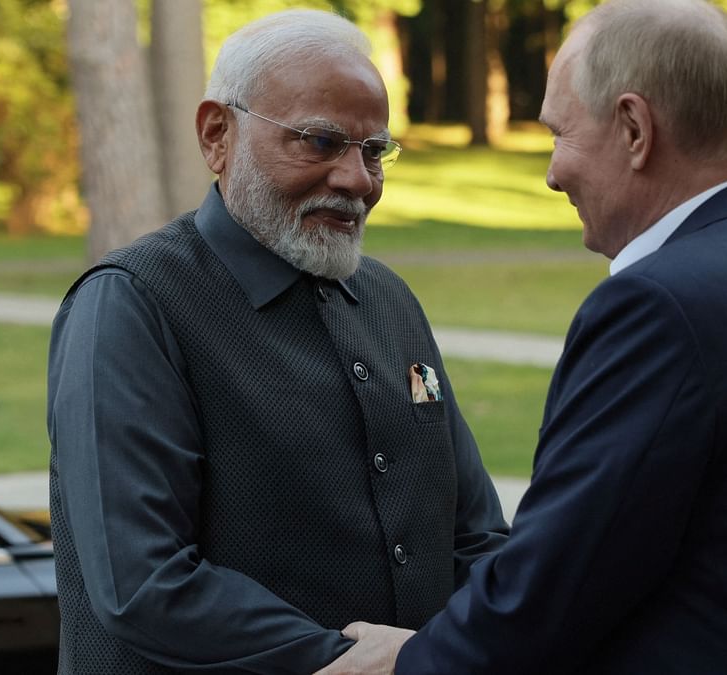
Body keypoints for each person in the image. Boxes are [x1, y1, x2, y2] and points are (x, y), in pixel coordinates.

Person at [322, 0, 727, 673]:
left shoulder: (660, 307)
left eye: (560, 134)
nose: (553, 173)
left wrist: (411, 661)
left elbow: (556, 581)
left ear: (635, 128)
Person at [46, 10, 508, 674]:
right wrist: (368, 662)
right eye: (320, 142)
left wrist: (474, 644)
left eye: (374, 150)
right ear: (216, 134)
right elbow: (142, 582)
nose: (357, 180)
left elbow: (476, 538)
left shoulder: (389, 301)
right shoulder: (134, 305)